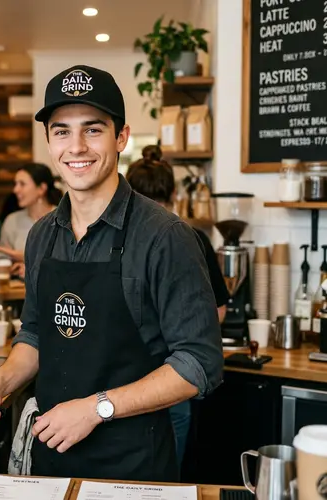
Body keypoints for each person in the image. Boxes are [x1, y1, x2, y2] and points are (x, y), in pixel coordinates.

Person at [0, 65, 224, 482]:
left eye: (93, 130)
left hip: (133, 467)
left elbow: (198, 364)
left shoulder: (165, 237)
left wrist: (95, 408)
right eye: (62, 131)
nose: (76, 146)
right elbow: (34, 334)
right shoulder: (41, 235)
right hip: (52, 458)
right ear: (49, 141)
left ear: (121, 137)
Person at [126, 144, 229, 470]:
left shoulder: (169, 237)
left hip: (148, 381)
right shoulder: (189, 235)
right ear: (174, 192)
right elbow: (217, 310)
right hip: (170, 380)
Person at [0, 163, 62, 278]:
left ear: (41, 188)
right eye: (15, 184)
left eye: (22, 184)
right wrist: (12, 268)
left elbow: (68, 261)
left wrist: (28, 261)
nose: (15, 190)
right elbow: (1, 259)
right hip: (17, 292)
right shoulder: (12, 220)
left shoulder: (62, 219)